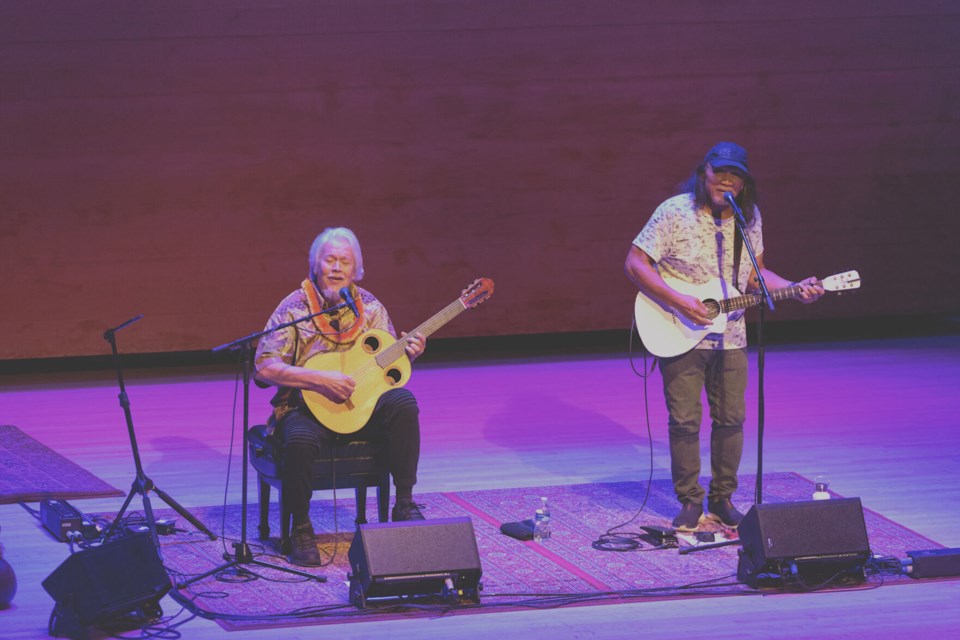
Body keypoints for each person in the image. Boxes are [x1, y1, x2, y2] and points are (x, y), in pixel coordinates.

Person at [624, 142, 824, 532]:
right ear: (705, 173)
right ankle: (689, 501)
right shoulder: (674, 211)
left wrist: (794, 286)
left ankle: (722, 498)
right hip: (678, 327)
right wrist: (679, 300)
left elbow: (756, 276)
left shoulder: (747, 218)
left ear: (744, 182)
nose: (727, 179)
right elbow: (635, 262)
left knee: (731, 418)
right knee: (684, 421)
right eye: (721, 172)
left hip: (731, 334)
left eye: (736, 174)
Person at [255, 227, 427, 566]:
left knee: (403, 402)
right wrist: (317, 379)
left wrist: (409, 354)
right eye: (329, 260)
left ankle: (404, 502)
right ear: (315, 265)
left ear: (356, 270)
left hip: (361, 407)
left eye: (344, 261)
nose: (336, 268)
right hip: (304, 407)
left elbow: (387, 371)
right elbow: (264, 367)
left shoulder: (372, 307)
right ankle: (301, 528)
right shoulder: (294, 308)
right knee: (300, 438)